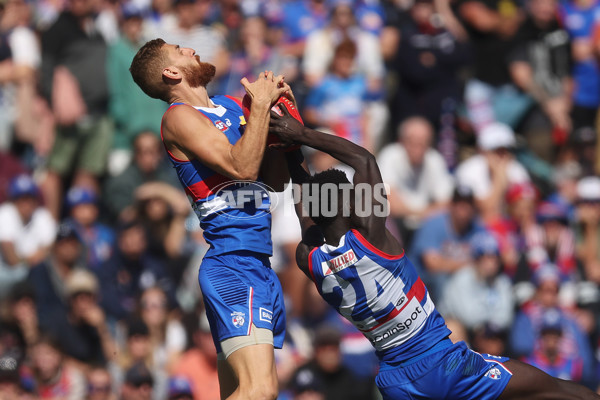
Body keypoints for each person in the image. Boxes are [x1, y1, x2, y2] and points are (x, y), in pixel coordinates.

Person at [268, 104, 600, 399]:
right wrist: (302, 133)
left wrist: (291, 147)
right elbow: (364, 158)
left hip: (396, 381)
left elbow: (305, 208)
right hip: (444, 364)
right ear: (343, 205)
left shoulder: (309, 258)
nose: (359, 199)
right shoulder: (371, 236)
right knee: (556, 390)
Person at [129, 38, 290, 400]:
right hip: (232, 262)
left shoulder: (232, 106)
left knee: (247, 391)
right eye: (180, 50)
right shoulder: (179, 117)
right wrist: (261, 106)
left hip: (257, 261)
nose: (191, 50)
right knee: (260, 390)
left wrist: (282, 127)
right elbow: (243, 166)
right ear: (171, 72)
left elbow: (275, 180)